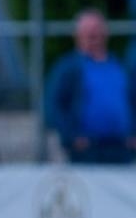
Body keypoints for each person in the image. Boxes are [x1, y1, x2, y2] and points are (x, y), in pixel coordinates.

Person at [46, 9, 136, 165]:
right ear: (77, 35)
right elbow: (52, 106)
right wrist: (71, 137)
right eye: (87, 31)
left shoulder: (120, 66)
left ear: (105, 33)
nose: (93, 36)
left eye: (96, 31)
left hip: (121, 148)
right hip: (86, 149)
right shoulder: (68, 68)